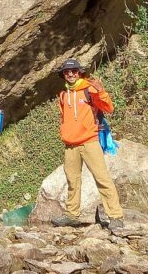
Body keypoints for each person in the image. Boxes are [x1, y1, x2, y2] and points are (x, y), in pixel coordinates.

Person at [51, 58, 125, 231]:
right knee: (72, 180)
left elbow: (108, 108)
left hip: (89, 141)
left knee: (102, 178)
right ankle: (71, 215)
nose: (71, 74)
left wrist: (101, 92)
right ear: (63, 74)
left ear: (79, 72)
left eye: (74, 71)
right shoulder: (63, 94)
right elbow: (63, 117)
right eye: (67, 72)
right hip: (70, 144)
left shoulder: (89, 89)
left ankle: (116, 216)